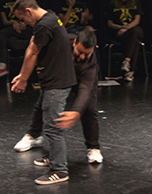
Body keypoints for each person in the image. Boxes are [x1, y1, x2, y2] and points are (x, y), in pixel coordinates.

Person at [11, 0, 76, 185]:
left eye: (23, 18)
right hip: (54, 79)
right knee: (41, 112)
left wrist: (23, 79)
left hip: (57, 82)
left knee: (53, 127)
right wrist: (22, 74)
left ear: (29, 11)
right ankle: (55, 157)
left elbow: (33, 52)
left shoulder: (44, 25)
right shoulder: (50, 17)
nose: (23, 23)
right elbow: (31, 46)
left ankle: (59, 169)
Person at [15, 27, 104, 165]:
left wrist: (76, 111)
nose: (82, 57)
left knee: (90, 109)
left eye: (87, 54)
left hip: (82, 79)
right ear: (74, 42)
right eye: (80, 52)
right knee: (44, 101)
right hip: (61, 76)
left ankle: (93, 147)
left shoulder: (90, 62)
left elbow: (86, 88)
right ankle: (33, 135)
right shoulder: (61, 43)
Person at [106, 0, 144, 82]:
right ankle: (130, 72)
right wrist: (121, 28)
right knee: (135, 41)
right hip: (120, 33)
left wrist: (127, 27)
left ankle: (127, 61)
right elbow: (109, 23)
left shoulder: (135, 2)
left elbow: (137, 20)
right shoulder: (113, 4)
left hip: (134, 29)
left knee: (135, 31)